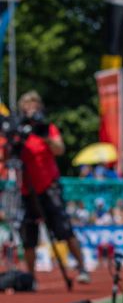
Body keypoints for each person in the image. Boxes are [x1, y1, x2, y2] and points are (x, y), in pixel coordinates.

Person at [4, 91, 91, 283]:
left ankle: (82, 268)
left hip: (49, 187)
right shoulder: (18, 131)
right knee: (28, 236)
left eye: (34, 104)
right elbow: (6, 158)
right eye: (27, 105)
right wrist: (15, 141)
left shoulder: (47, 128)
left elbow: (60, 149)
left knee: (64, 230)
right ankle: (31, 277)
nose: (30, 108)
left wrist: (43, 136)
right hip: (27, 190)